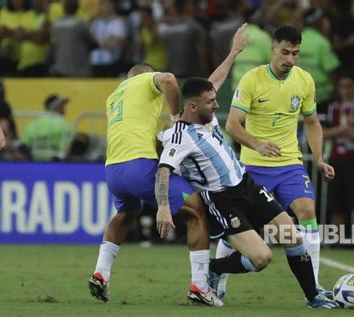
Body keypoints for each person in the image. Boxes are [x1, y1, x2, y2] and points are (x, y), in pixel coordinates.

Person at [88, 24, 248, 306]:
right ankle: (200, 286)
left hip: (113, 169)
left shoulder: (114, 97)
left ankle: (101, 273)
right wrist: (176, 117)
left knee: (126, 213)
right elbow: (170, 79)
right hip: (140, 164)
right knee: (197, 210)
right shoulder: (145, 79)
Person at [155, 77, 339, 309]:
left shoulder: (206, 118)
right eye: (211, 101)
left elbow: (214, 81)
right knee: (262, 258)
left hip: (248, 185)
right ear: (193, 106)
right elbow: (163, 171)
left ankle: (314, 297)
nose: (216, 105)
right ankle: (214, 268)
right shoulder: (179, 137)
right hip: (224, 201)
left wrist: (233, 53)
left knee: (293, 237)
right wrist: (163, 206)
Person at [225, 25, 334, 297]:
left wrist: (319, 158)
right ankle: (216, 280)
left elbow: (312, 123)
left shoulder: (304, 80)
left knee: (307, 210)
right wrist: (258, 144)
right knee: (239, 225)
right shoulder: (252, 79)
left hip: (289, 164)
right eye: (285, 52)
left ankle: (315, 286)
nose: (290, 59)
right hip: (254, 166)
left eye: (295, 53)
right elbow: (232, 125)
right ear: (273, 49)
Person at [322, 75, 354, 229]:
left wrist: (335, 132)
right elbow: (322, 133)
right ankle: (338, 239)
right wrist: (343, 130)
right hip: (335, 160)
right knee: (336, 204)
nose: (345, 90)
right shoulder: (332, 107)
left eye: (348, 86)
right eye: (342, 86)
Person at [22, 94, 74, 161]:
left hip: (33, 162)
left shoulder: (32, 124)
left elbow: (25, 144)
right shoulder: (62, 124)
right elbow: (68, 146)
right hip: (56, 164)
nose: (64, 108)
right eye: (62, 105)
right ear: (55, 107)